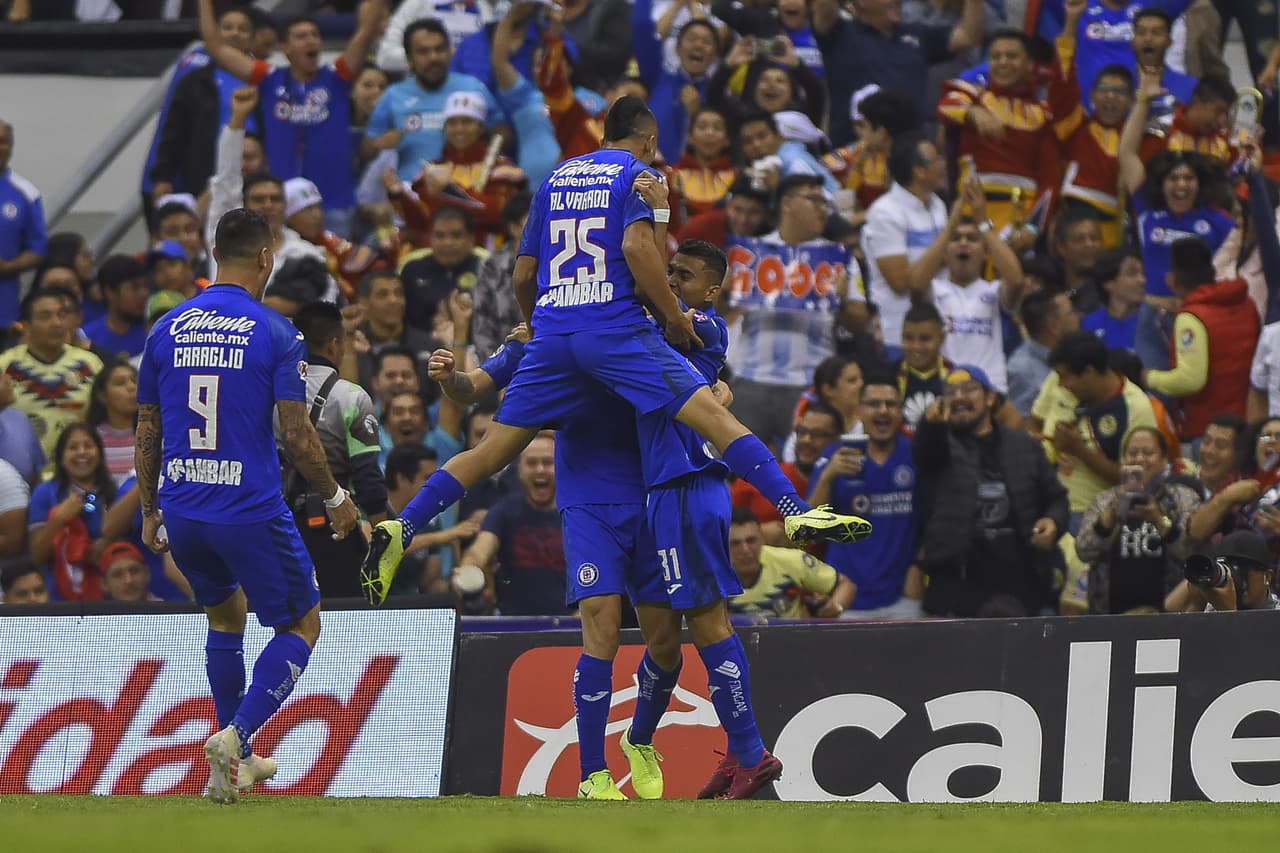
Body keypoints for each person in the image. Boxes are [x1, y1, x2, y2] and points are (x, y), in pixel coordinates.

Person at [363, 97, 867, 592]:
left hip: (554, 330)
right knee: (719, 420)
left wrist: (536, 324)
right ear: (649, 140)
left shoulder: (556, 179)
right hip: (615, 330)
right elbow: (635, 248)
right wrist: (672, 316)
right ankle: (795, 513)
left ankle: (401, 528)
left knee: (490, 451)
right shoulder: (638, 176)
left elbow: (523, 275)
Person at [134, 208, 359, 805]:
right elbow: (297, 433)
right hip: (248, 509)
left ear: (213, 252)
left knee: (225, 617)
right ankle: (235, 736)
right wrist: (335, 496)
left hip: (183, 507)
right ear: (266, 258)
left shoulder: (165, 328)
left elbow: (148, 428)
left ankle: (231, 767)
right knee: (302, 623)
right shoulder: (276, 332)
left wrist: (151, 510)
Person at [199, 0, 388, 235]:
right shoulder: (269, 80)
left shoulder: (337, 78)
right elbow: (217, 48)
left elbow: (367, 31)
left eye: (315, 35)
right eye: (301, 36)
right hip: (280, 207)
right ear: (284, 47)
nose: (311, 40)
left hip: (335, 205)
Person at [914, 366, 1069, 616]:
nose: (959, 397)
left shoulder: (1025, 445)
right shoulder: (939, 446)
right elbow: (925, 450)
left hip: (1022, 582)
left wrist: (1052, 522)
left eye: (969, 389)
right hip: (956, 587)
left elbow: (1057, 498)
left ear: (990, 398)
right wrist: (929, 425)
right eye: (950, 391)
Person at [725, 173, 866, 447]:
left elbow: (860, 323)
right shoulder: (749, 253)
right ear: (787, 204)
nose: (822, 208)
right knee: (733, 470)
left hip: (810, 383)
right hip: (750, 379)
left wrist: (845, 298)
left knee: (806, 470)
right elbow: (716, 308)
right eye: (813, 199)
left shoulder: (839, 259)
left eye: (824, 202)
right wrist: (724, 288)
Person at [279, 302, 387, 599]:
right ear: (336, 343)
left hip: (276, 523)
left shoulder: (271, 395)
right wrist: (382, 537)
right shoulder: (351, 396)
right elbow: (367, 478)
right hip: (334, 523)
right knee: (343, 620)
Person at [809, 373, 922, 618]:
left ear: (900, 412)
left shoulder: (916, 453)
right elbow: (809, 529)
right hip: (846, 599)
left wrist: (918, 566)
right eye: (873, 404)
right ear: (859, 410)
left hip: (901, 598)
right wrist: (828, 476)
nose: (883, 411)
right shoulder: (834, 455)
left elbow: (934, 518)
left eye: (891, 405)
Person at [811, 0, 985, 147]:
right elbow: (824, 6)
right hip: (855, 148)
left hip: (908, 152)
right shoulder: (839, 33)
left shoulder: (918, 34)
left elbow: (969, 36)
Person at [910, 183, 1027, 392]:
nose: (963, 243)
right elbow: (915, 284)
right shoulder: (934, 289)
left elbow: (1017, 280)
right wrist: (950, 226)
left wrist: (983, 222)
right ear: (945, 253)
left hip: (990, 390)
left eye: (972, 239)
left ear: (985, 253)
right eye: (956, 239)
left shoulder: (994, 291)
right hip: (945, 389)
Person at [1036, 331, 1158, 529]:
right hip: (1049, 504)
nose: (1060, 384)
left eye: (1064, 378)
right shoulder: (1061, 383)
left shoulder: (1136, 408)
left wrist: (1079, 451)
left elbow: (1136, 480)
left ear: (1089, 373)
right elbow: (1033, 422)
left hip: (1096, 513)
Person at [1145, 237, 1259, 443]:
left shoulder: (1191, 318)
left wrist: (1149, 378)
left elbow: (1190, 380)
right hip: (1245, 425)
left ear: (1173, 281)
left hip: (1207, 430)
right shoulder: (1246, 303)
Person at [1075, 425, 1201, 613]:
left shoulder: (1183, 498)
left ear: (1164, 459)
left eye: (1148, 453)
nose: (1140, 459)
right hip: (1111, 616)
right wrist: (1109, 519)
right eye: (1132, 453)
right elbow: (1084, 551)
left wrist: (1159, 520)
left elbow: (1191, 553)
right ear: (1124, 460)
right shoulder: (1104, 501)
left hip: (1169, 615)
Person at [363, 18, 499, 183]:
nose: (433, 57)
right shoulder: (393, 95)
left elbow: (502, 133)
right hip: (410, 195)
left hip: (466, 190)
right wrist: (379, 145)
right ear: (409, 58)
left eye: (439, 49)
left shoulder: (472, 87)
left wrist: (478, 138)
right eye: (423, 52)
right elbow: (365, 151)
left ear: (450, 52)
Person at [864, 132, 950, 358]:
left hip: (939, 330)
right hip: (898, 335)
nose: (943, 165)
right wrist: (947, 239)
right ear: (919, 171)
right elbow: (901, 282)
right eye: (937, 160)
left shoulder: (938, 205)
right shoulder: (885, 212)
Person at [0, 287, 103, 466]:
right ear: (26, 324)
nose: (56, 323)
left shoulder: (90, 365)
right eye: (45, 316)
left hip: (81, 472)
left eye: (61, 315)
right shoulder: (5, 366)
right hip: (20, 474)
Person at [27, 422, 118, 601]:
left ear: (100, 453)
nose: (82, 452)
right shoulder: (45, 493)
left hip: (106, 599)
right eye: (73, 447)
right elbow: (36, 556)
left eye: (88, 446)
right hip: (57, 599)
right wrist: (58, 519)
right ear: (61, 456)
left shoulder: (113, 492)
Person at [725, 507, 856, 618]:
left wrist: (835, 607)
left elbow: (845, 585)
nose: (746, 550)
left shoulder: (791, 561)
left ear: (762, 538)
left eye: (751, 540)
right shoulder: (709, 572)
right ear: (722, 545)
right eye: (735, 543)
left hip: (790, 644)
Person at [0, 119, 47, 330]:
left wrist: (7, 267)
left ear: (11, 147)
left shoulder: (26, 193)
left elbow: (38, 251)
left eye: (3, 141)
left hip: (5, 316)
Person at [1166, 529, 1280, 612]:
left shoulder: (1275, 615)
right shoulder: (1213, 607)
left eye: (1245, 569)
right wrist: (1197, 606)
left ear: (1267, 577)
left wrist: (1228, 614)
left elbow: (1252, 644)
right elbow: (1170, 608)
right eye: (1230, 569)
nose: (1237, 579)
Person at [1007, 289, 1078, 417]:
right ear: (1055, 325)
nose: (1078, 317)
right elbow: (1022, 426)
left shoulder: (1075, 351)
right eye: (1071, 313)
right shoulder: (1021, 370)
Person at [82, 255, 150, 360]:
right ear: (110, 292)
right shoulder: (87, 337)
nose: (144, 293)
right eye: (134, 288)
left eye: (145, 286)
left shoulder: (152, 332)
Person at [87, 361, 139, 488]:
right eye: (120, 383)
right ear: (102, 395)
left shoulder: (159, 436)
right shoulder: (91, 439)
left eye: (135, 381)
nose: (132, 387)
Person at [1081, 247, 1144, 351]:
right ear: (1109, 283)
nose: (1142, 280)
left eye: (1143, 274)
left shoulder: (1154, 322)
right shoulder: (1088, 324)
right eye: (1132, 273)